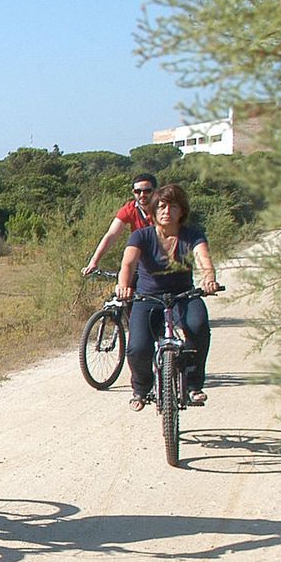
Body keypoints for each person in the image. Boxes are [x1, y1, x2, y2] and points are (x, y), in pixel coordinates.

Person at [116, 181, 223, 411]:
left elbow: (204, 259)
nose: (167, 212)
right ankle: (141, 389)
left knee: (198, 325)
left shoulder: (192, 235)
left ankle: (194, 384)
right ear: (154, 211)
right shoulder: (141, 236)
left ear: (181, 211)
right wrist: (124, 286)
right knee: (138, 347)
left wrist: (209, 279)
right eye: (162, 206)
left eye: (173, 207)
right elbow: (128, 264)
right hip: (148, 298)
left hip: (183, 295)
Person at [82, 172, 158, 275]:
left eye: (147, 191)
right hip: (141, 259)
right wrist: (94, 261)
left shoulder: (164, 209)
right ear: (133, 192)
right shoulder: (129, 209)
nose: (142, 195)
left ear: (155, 191)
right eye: (137, 191)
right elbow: (112, 234)